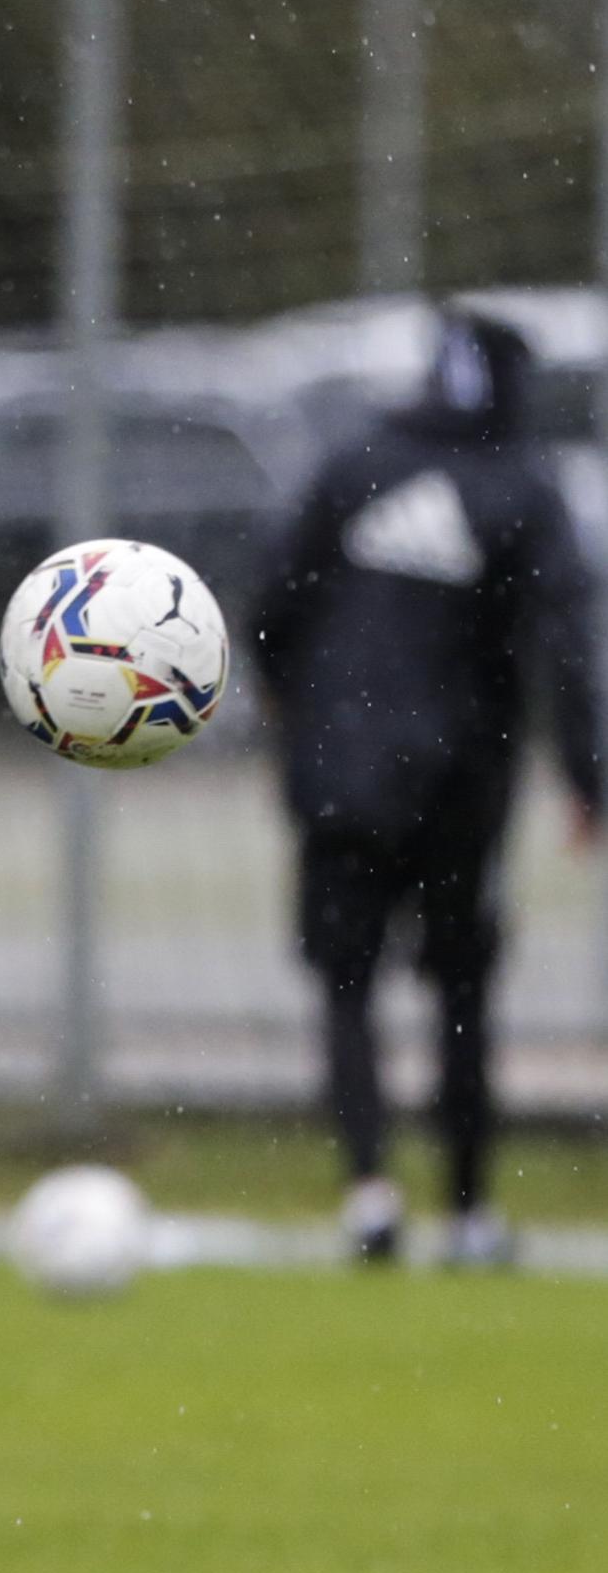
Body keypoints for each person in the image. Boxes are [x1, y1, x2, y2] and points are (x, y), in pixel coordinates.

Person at [251, 304, 601, 1263]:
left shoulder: (353, 461)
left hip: (338, 771)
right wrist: (586, 776)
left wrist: (295, 715)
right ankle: (468, 1212)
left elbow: (273, 600)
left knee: (345, 982)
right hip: (458, 775)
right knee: (459, 990)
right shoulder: (522, 483)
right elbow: (568, 641)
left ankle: (368, 1195)